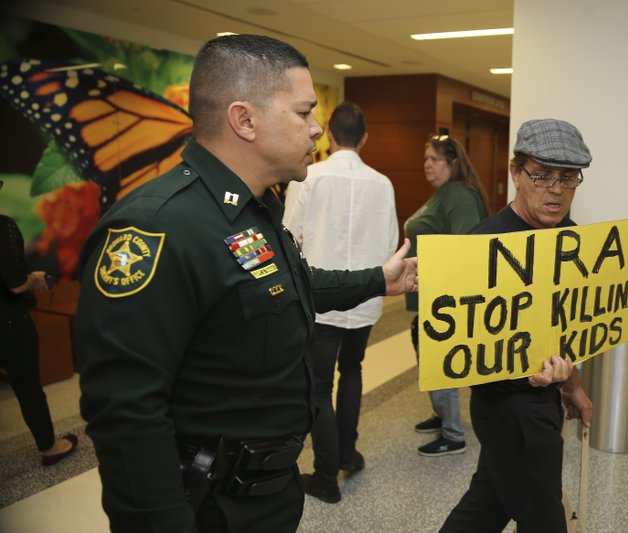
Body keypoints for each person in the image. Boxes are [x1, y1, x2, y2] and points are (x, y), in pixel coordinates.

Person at [73, 35, 417, 533]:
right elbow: (126, 415)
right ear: (245, 120)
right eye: (303, 114)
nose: (318, 129)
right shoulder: (159, 229)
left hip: (269, 493)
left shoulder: (252, 212)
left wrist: (377, 280)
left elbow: (286, 288)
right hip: (210, 506)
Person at [439, 119, 594, 533]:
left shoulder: (573, 241)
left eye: (568, 177)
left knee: (488, 501)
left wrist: (571, 384)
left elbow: (565, 326)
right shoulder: (482, 245)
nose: (556, 189)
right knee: (544, 518)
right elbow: (457, 346)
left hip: (544, 403)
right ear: (515, 172)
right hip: (506, 406)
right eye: (541, 175)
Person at [282, 101, 398, 503]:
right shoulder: (382, 183)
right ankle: (348, 452)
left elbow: (287, 235)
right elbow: (389, 244)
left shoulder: (309, 176)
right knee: (353, 369)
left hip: (321, 297)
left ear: (328, 135)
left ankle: (326, 476)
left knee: (317, 386)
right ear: (364, 138)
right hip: (365, 296)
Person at [405, 134, 489, 457]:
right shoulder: (444, 194)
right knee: (428, 355)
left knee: (441, 361)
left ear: (452, 164)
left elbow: (465, 248)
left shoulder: (458, 195)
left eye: (434, 159)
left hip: (445, 296)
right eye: (425, 158)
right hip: (429, 293)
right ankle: (442, 417)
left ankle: (453, 435)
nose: (427, 164)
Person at [0, 180, 78, 467]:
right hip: (8, 322)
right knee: (27, 385)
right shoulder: (3, 226)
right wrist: (34, 278)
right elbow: (16, 284)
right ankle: (50, 447)